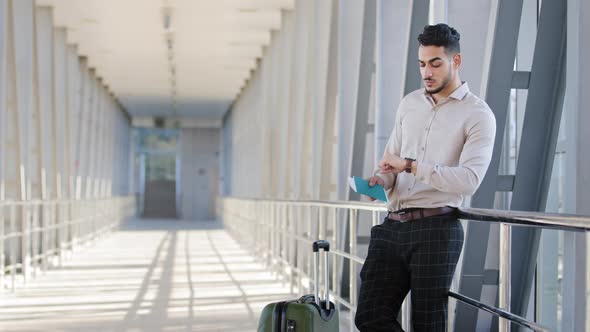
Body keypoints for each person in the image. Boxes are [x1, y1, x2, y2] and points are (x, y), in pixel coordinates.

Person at [354, 23, 496, 331]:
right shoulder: (410, 104)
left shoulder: (478, 115)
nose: (427, 72)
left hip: (437, 229)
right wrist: (383, 179)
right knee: (368, 316)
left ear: (455, 61)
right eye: (422, 64)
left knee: (428, 324)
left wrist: (411, 165)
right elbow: (391, 164)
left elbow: (469, 180)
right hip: (392, 226)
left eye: (435, 63)